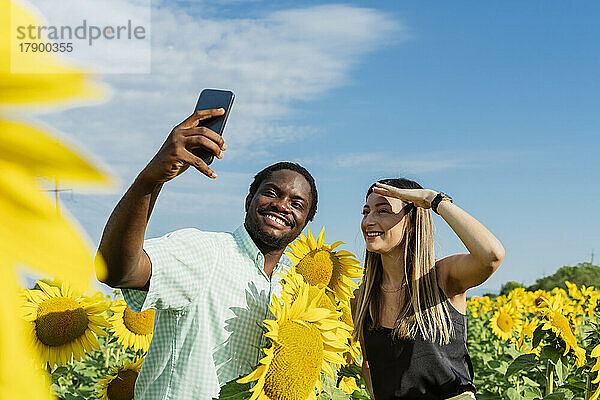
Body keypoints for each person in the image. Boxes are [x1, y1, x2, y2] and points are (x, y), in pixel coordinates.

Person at [96, 108, 318, 399]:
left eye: (297, 203)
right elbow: (117, 271)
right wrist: (149, 180)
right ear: (249, 199)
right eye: (272, 193)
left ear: (304, 223)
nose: (282, 206)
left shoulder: (292, 288)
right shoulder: (205, 253)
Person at [352, 178, 505, 400]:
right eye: (366, 212)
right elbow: (369, 364)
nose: (369, 221)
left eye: (382, 211)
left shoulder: (442, 277)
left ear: (412, 222)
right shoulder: (363, 297)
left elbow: (492, 255)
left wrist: (433, 200)